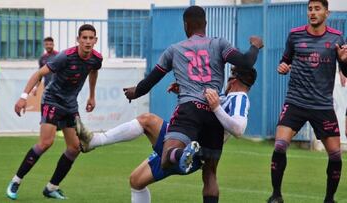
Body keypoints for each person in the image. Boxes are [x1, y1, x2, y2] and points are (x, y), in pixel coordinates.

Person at [123, 5, 263, 203]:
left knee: (167, 158)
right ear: (205, 24)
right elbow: (246, 62)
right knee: (210, 174)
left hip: (190, 109)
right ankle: (188, 155)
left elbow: (150, 81)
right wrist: (255, 45)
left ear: (185, 25)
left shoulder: (175, 49)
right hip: (213, 112)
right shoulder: (220, 44)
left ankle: (182, 152)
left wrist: (134, 92)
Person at [76, 66, 257, 203]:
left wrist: (216, 107)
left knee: (147, 120)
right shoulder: (227, 97)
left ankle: (94, 140)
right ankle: (179, 155)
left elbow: (239, 128)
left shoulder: (239, 98)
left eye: (231, 74)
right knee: (136, 181)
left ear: (233, 79)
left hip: (188, 144)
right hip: (190, 149)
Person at [6, 24, 103, 200]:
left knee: (74, 148)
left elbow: (93, 72)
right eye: (84, 38)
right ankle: (16, 181)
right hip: (52, 100)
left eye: (91, 38)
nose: (88, 41)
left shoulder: (96, 59)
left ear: (95, 40)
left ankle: (51, 187)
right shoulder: (64, 57)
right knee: (46, 143)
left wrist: (92, 96)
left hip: (70, 105)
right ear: (78, 39)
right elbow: (38, 74)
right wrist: (23, 97)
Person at [267, 1, 347, 203]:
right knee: (279, 146)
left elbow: (346, 73)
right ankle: (276, 195)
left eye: (317, 9)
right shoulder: (295, 35)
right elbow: (285, 60)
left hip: (322, 106)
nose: (312, 12)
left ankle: (329, 199)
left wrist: (345, 61)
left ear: (326, 13)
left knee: (336, 156)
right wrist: (283, 66)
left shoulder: (337, 38)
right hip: (296, 102)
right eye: (310, 9)